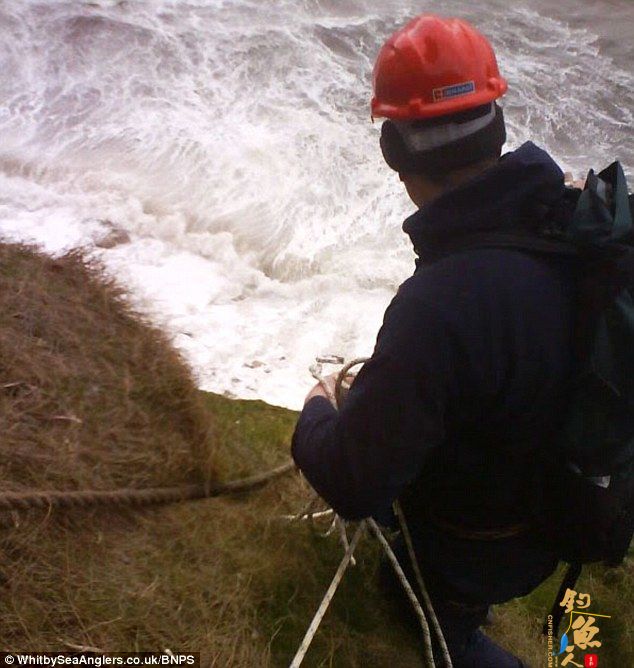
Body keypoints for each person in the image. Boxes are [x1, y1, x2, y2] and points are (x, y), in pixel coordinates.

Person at [291, 14, 579, 667]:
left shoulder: (439, 306)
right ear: (498, 128)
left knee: (423, 619)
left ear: (395, 151)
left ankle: (458, 630)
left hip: (484, 548)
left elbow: (354, 483)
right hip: (564, 505)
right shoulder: (568, 221)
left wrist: (318, 406)